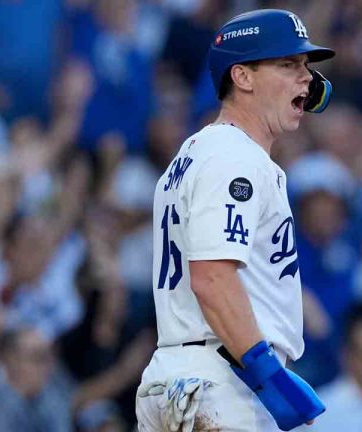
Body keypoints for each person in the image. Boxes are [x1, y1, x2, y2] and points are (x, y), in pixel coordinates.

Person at [135, 8, 335, 431]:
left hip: (191, 370)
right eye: (287, 64)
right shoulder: (234, 158)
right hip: (221, 379)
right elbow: (211, 276)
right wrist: (268, 373)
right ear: (242, 77)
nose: (307, 78)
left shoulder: (200, 152)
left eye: (305, 66)